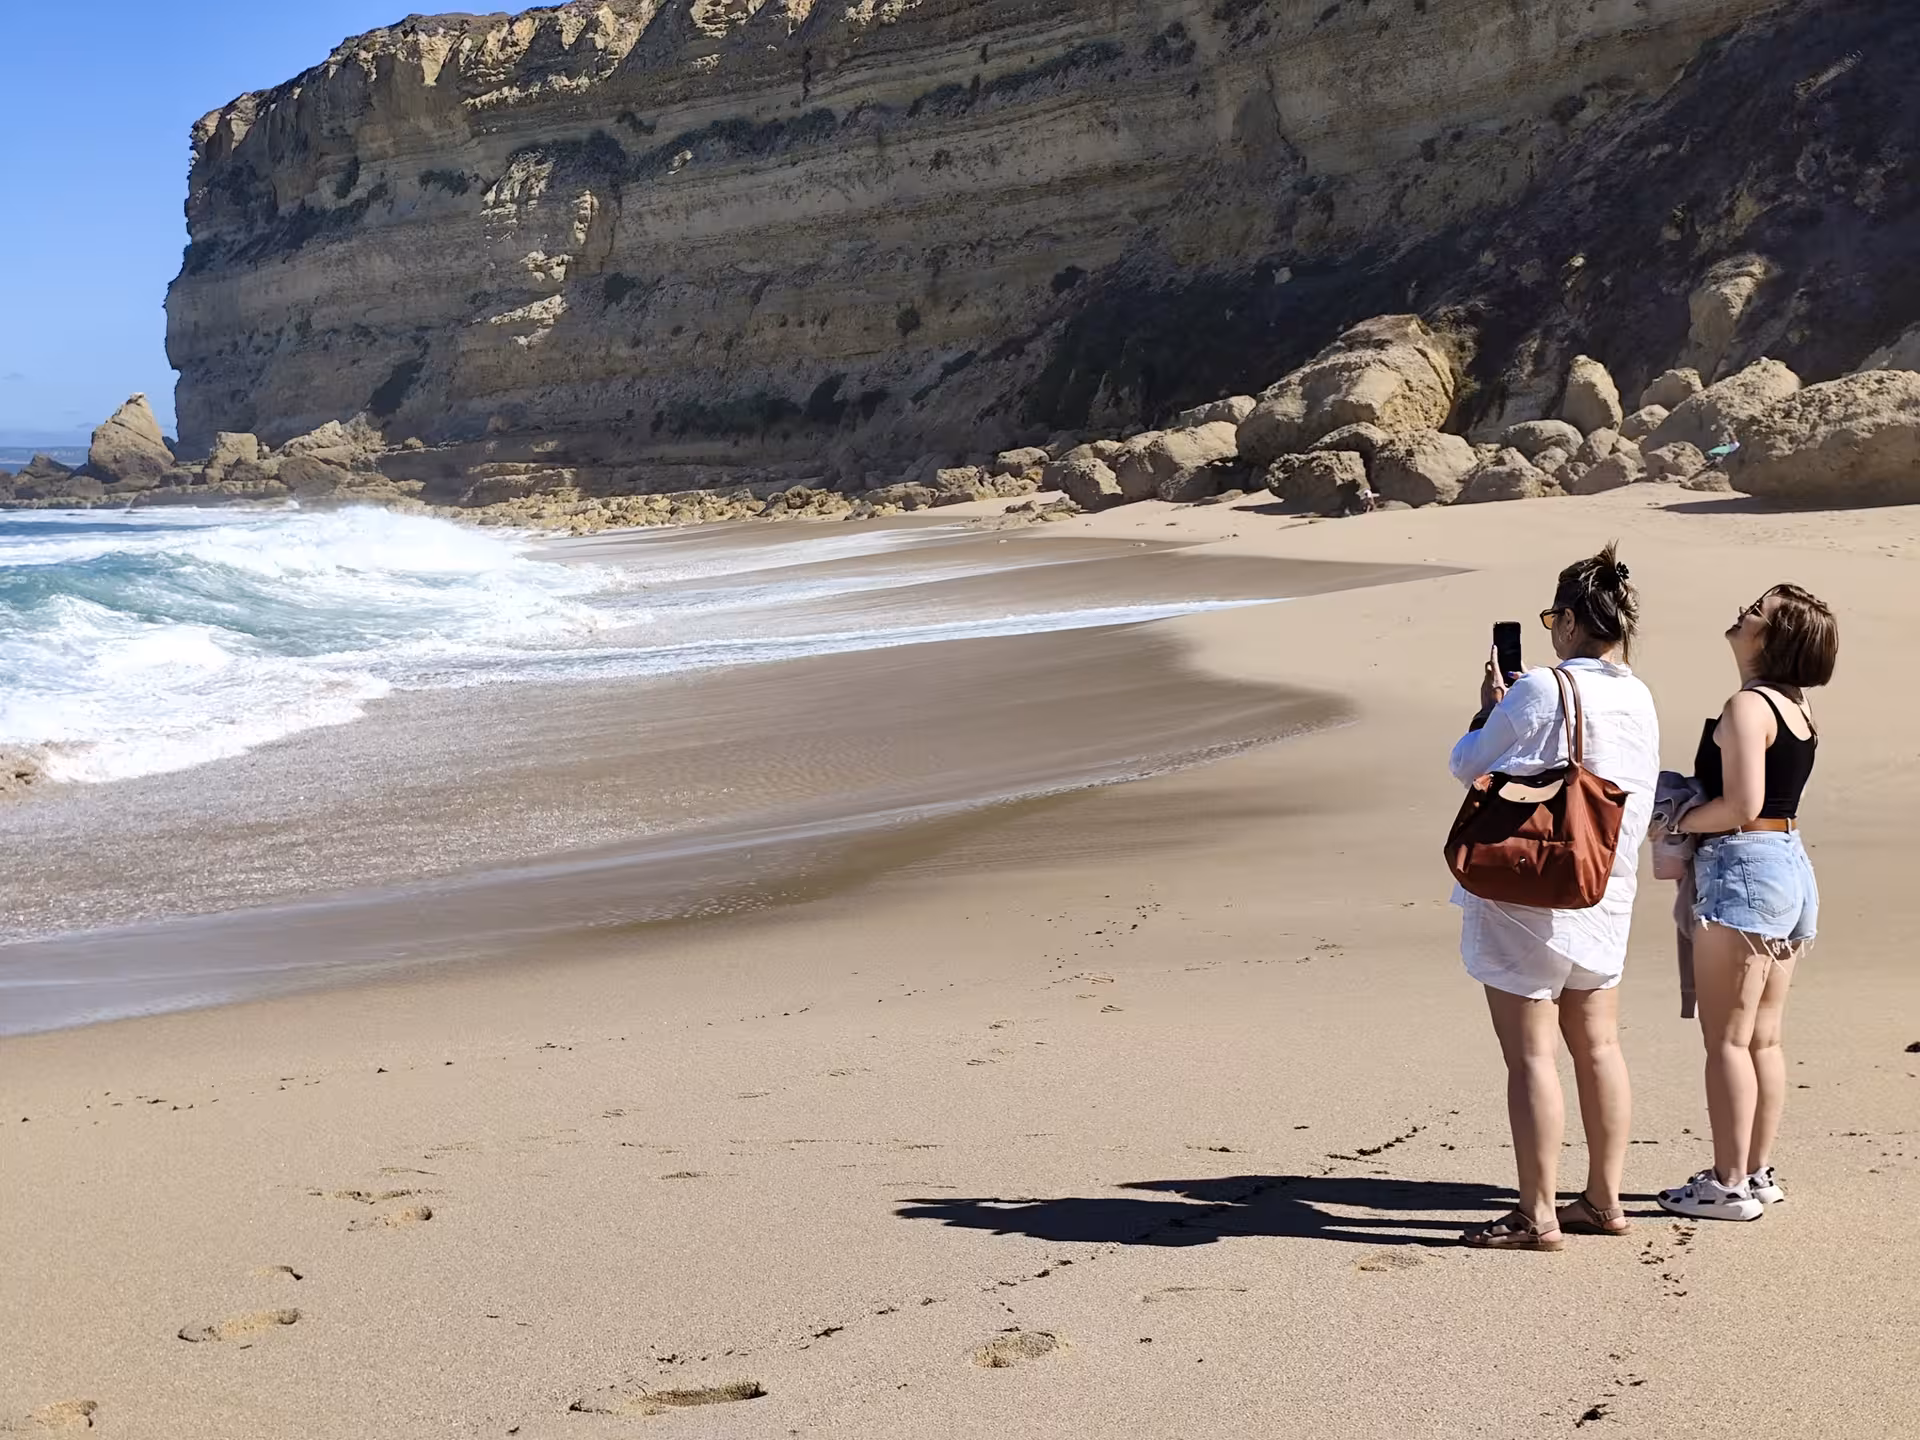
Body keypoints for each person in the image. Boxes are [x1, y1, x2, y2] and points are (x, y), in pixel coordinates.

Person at [1450, 544, 1661, 1250]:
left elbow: (1467, 766)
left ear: (1569, 621)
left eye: (1553, 618)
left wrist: (1489, 709)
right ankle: (1604, 1198)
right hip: (1605, 885)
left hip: (1532, 890)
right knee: (1599, 1046)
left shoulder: (1541, 689)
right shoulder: (1638, 694)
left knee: (1532, 1056)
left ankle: (1536, 1212)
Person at [1657, 585, 1838, 1221]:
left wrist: (1676, 820)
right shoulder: (1798, 709)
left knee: (1728, 1041)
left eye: (1756, 610)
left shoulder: (1746, 706)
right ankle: (1756, 1172)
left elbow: (1741, 807)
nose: (1743, 611)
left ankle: (1728, 1184)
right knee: (1763, 1038)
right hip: (1789, 867)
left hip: (1746, 867)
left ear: (1774, 638)